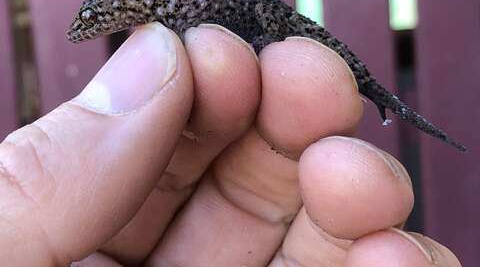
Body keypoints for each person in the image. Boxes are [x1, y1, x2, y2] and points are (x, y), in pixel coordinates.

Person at [0, 23, 461, 266]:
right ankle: (379, 97)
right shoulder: (164, 23)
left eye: (94, 22)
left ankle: (378, 96)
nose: (87, 31)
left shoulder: (164, 24)